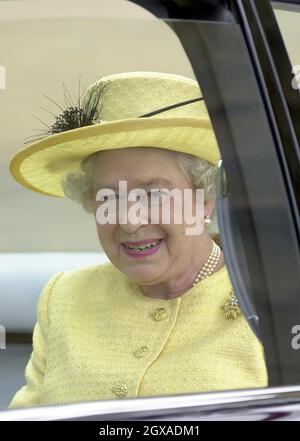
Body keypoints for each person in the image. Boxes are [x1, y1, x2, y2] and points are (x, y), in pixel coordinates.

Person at [8, 71, 268, 408]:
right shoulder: (65, 297)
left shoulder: (272, 302)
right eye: (109, 197)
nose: (130, 222)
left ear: (205, 197)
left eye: (154, 194)